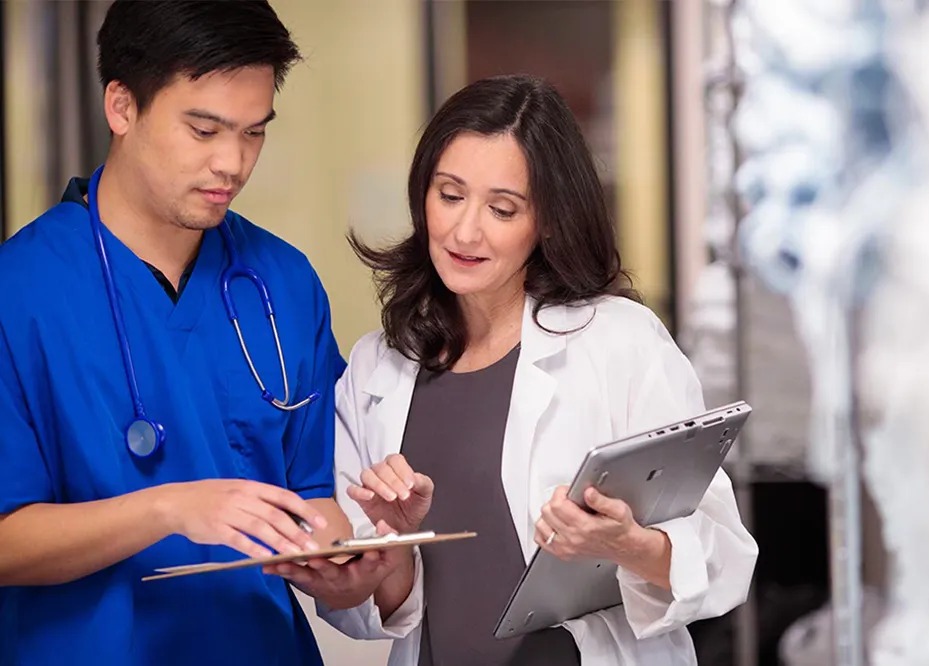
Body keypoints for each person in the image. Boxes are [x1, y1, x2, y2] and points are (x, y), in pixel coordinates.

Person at [278, 74, 758, 665]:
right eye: (449, 195)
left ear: (548, 221)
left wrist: (628, 545)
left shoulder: (617, 342)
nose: (465, 230)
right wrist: (391, 543)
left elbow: (725, 555)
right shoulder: (380, 365)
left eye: (502, 208)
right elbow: (375, 610)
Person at [0, 2, 397, 665]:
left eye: (253, 133)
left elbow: (314, 498)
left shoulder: (283, 284)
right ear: (121, 107)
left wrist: (346, 563)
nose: (233, 164)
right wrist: (167, 510)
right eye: (205, 129)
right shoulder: (21, 292)